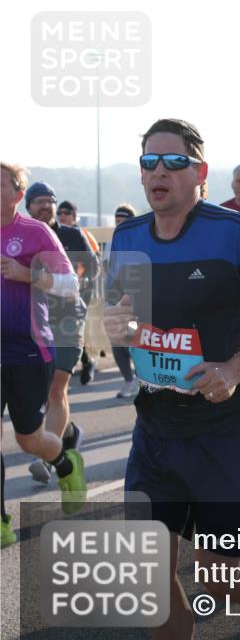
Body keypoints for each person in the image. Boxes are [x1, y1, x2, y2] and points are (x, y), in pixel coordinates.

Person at [103, 119, 240, 640]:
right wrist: (118, 327)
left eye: (173, 162)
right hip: (157, 425)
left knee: (219, 577)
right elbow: (129, 319)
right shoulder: (127, 239)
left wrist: (237, 367)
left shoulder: (234, 233)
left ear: (199, 171)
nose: (159, 172)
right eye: (149, 162)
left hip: (226, 426)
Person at [2, 162, 88, 545]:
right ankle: (1, 522)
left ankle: (66, 463)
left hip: (29, 352)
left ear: (17, 194)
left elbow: (70, 284)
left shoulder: (34, 233)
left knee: (28, 439)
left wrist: (28, 274)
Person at [24, 182, 95, 485]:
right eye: (38, 201)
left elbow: (92, 267)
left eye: (49, 201)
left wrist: (83, 297)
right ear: (27, 205)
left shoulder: (70, 234)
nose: (45, 206)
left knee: (56, 387)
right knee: (40, 393)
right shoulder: (21, 235)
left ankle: (47, 460)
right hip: (33, 321)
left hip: (68, 318)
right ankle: (69, 433)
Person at [56, 200, 102, 386]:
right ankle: (85, 361)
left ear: (75, 216)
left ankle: (86, 362)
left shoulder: (81, 235)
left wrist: (83, 283)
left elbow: (95, 263)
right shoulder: (52, 234)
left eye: (67, 212)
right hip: (57, 291)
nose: (62, 215)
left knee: (74, 327)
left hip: (81, 290)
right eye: (60, 212)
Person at [112, 204, 140, 398]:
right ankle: (129, 381)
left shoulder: (143, 240)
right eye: (117, 221)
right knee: (118, 341)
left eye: (123, 220)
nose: (119, 224)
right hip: (118, 302)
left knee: (133, 342)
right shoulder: (114, 242)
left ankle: (142, 378)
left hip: (140, 302)